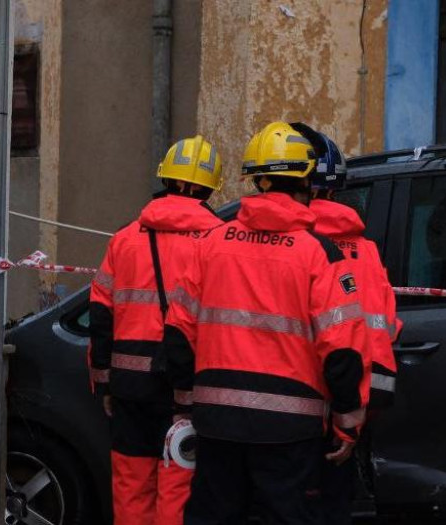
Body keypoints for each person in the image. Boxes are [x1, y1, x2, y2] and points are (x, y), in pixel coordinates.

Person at [163, 121, 370, 525]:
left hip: (217, 422)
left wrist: (184, 403)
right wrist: (347, 422)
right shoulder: (319, 255)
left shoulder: (210, 245)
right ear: (307, 181)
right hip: (289, 431)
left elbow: (178, 333)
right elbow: (342, 347)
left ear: (257, 181)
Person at [88, 135, 225, 525]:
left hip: (130, 385)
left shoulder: (125, 239)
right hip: (188, 386)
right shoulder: (217, 241)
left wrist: (105, 383)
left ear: (167, 179)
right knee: (179, 482)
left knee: (131, 485)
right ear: (208, 186)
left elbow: (101, 313)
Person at [290, 123, 400, 525]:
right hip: (356, 402)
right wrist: (354, 416)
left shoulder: (295, 242)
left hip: (298, 404)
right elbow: (382, 328)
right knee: (336, 505)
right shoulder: (366, 251)